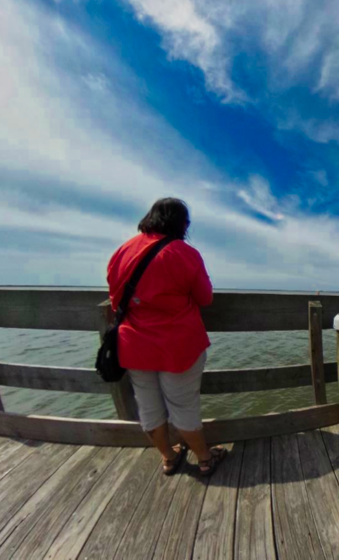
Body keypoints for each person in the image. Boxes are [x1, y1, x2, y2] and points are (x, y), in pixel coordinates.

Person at [107, 198, 228, 476]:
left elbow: (116, 301)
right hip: (178, 346)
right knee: (183, 405)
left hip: (135, 345)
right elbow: (205, 298)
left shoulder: (122, 251)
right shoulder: (184, 253)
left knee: (148, 406)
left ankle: (168, 457)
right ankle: (204, 458)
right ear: (181, 224)